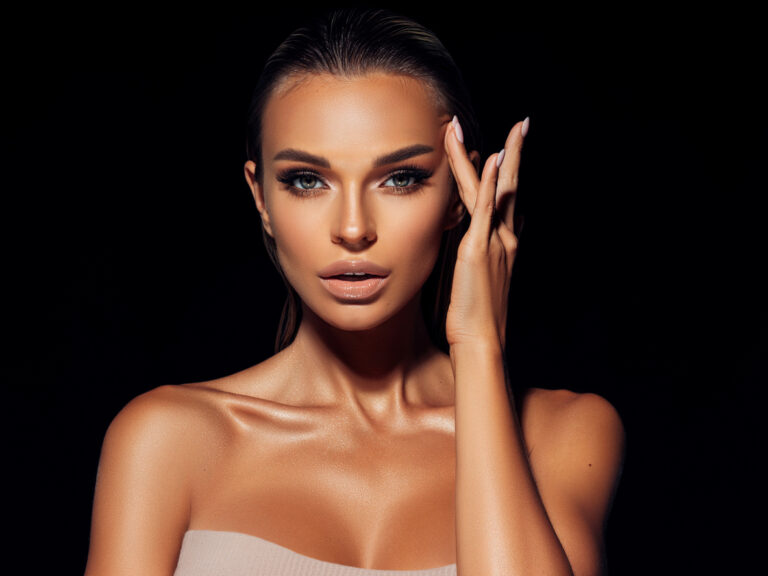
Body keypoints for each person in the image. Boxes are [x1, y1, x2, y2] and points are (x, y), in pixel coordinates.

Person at [84, 8, 624, 576]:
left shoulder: (562, 434)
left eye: (400, 178)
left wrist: (478, 346)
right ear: (261, 197)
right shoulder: (167, 439)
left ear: (459, 193)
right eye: (307, 180)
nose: (352, 228)